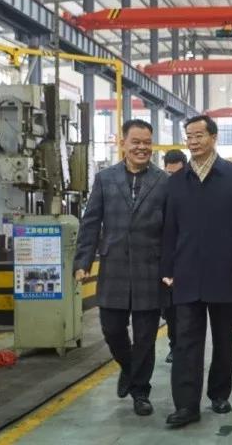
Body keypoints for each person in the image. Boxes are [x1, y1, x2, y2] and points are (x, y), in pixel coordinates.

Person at [161, 115, 232, 428]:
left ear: (213, 137)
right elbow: (169, 229)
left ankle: (219, 394)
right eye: (188, 136)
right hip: (186, 272)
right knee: (186, 342)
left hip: (226, 272)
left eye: (199, 135)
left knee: (223, 340)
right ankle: (186, 406)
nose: (193, 141)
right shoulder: (176, 181)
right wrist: (167, 267)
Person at [73, 119, 169, 417]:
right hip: (113, 267)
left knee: (145, 337)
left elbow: (171, 229)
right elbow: (91, 222)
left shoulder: (164, 181)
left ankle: (141, 392)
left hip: (150, 270)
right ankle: (128, 368)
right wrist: (82, 261)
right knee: (112, 329)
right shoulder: (105, 178)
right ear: (123, 143)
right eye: (135, 142)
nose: (142, 148)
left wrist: (171, 267)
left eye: (147, 143)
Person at [161, 149, 188, 364]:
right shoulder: (162, 189)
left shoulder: (194, 189)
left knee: (187, 311)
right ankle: (175, 346)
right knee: (170, 310)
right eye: (169, 173)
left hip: (188, 260)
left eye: (176, 173)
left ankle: (186, 348)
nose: (172, 177)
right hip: (166, 259)